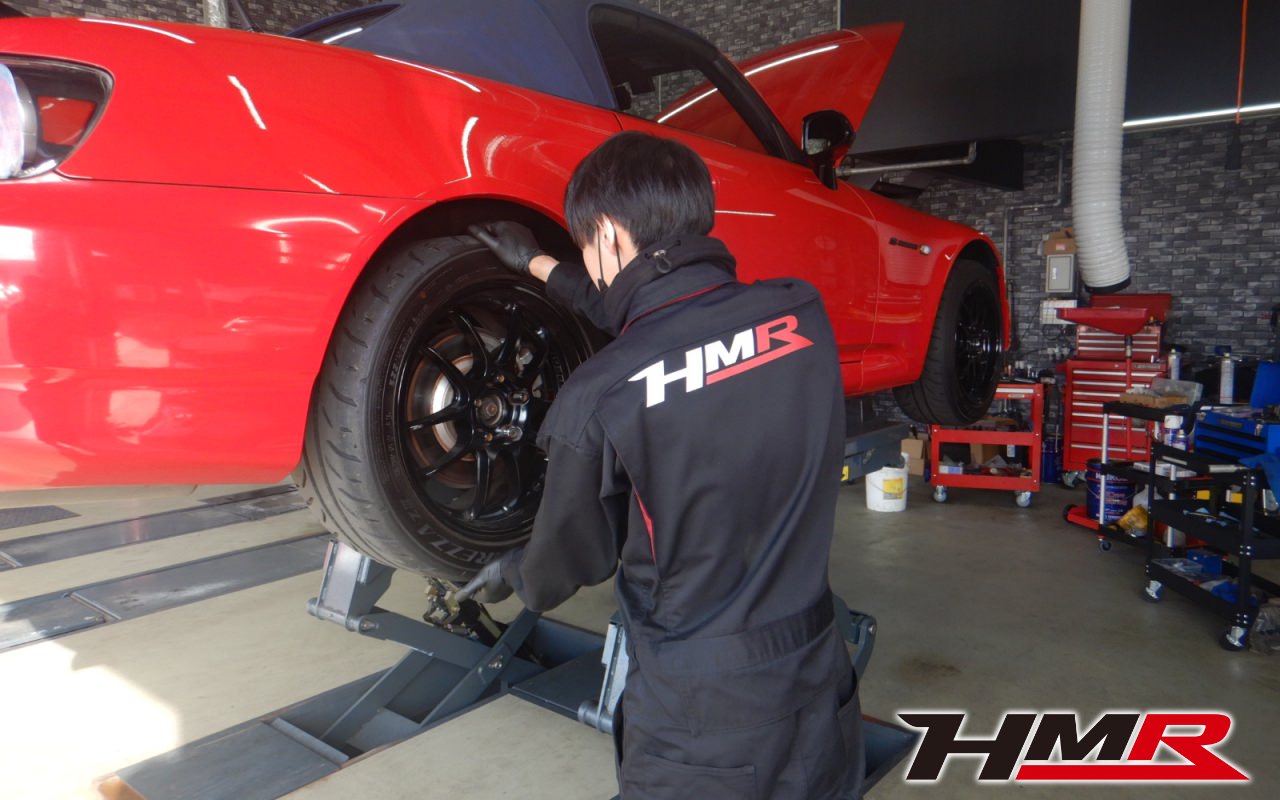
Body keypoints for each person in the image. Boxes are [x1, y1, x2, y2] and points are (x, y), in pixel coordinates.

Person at [460, 131, 863, 799]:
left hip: (704, 725)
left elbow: (570, 560)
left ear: (607, 233)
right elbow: (659, 316)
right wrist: (539, 263)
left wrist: (514, 574)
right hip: (819, 678)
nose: (589, 267)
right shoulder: (802, 314)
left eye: (586, 247)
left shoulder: (601, 396)